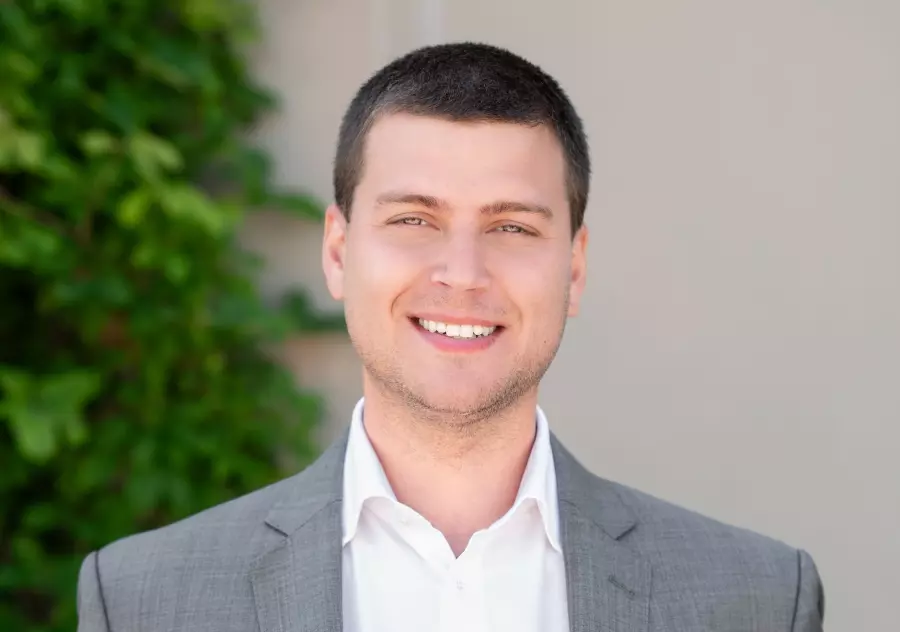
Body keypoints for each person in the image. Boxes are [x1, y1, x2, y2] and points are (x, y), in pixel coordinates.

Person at [76, 42, 825, 632]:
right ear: (337, 252)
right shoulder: (144, 601)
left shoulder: (757, 601)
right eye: (414, 220)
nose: (462, 274)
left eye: (512, 227)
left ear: (574, 268)